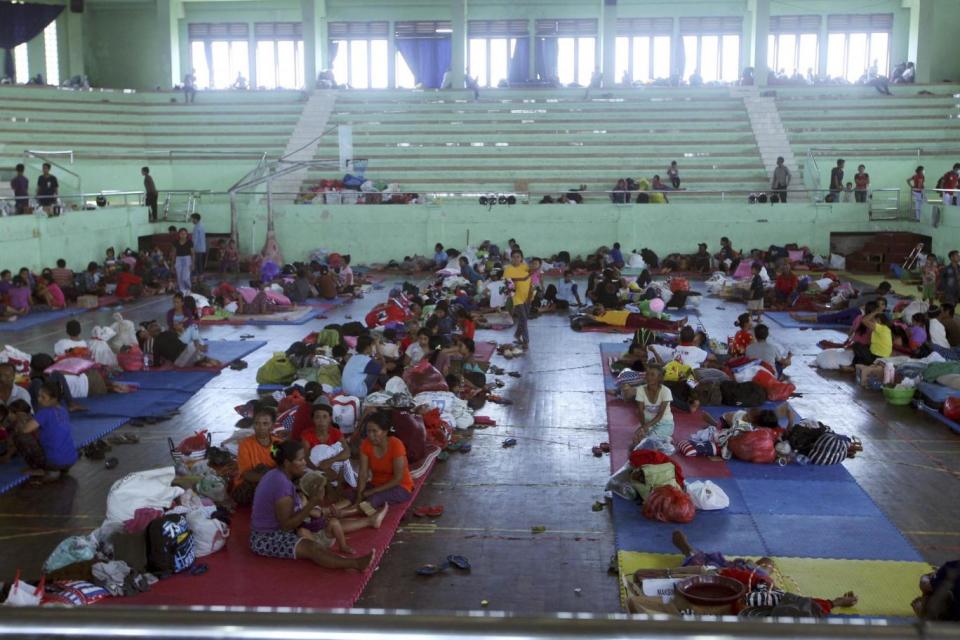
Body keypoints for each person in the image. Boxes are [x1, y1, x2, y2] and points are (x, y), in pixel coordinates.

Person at [249, 440, 375, 570]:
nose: (305, 463)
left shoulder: (276, 474)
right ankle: (355, 564)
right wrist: (311, 504)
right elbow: (286, 526)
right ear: (287, 463)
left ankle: (368, 522)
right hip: (265, 538)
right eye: (300, 460)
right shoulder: (281, 485)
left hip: (276, 527)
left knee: (327, 521)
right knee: (312, 548)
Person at [341, 411, 414, 510]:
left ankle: (346, 513)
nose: (370, 435)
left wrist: (373, 491)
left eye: (374, 431)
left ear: (385, 432)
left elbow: (398, 479)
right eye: (368, 431)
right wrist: (359, 496)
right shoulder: (366, 444)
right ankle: (328, 510)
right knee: (353, 493)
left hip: (401, 487)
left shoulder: (396, 444)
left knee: (374, 498)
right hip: (377, 484)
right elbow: (363, 474)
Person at [9, 382, 77, 482]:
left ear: (54, 399)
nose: (39, 399)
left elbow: (25, 430)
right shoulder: (63, 410)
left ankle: (39, 469)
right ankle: (59, 467)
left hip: (55, 463)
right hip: (71, 460)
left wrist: (18, 422)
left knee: (19, 436)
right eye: (38, 396)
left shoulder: (44, 413)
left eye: (43, 397)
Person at [232, 405, 280, 505]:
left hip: (271, 480)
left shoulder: (276, 444)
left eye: (265, 423)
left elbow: (278, 464)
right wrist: (270, 479)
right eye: (257, 423)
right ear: (253, 425)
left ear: (272, 426)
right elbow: (247, 474)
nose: (261, 427)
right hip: (250, 483)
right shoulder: (245, 445)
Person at [632, 365, 673, 448]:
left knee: (648, 443)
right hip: (647, 423)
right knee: (636, 439)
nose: (648, 377)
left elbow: (660, 415)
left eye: (652, 375)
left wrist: (645, 427)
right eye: (647, 374)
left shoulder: (666, 391)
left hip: (664, 423)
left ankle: (665, 440)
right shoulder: (640, 389)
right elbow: (640, 411)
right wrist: (643, 427)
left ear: (659, 378)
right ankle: (663, 440)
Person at [504, 249, 532, 350]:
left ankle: (517, 334)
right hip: (517, 298)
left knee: (524, 318)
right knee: (524, 318)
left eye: (518, 257)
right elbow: (508, 285)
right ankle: (526, 341)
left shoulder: (525, 267)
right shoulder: (508, 269)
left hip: (527, 296)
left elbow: (531, 279)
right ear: (511, 258)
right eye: (514, 257)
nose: (516, 259)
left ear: (521, 258)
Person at [589, 303, 686, 333]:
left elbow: (601, 305)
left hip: (631, 315)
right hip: (629, 320)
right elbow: (592, 317)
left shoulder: (607, 311)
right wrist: (584, 314)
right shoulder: (601, 318)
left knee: (653, 320)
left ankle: (675, 322)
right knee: (652, 323)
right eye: (598, 310)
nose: (600, 309)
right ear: (597, 314)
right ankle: (674, 327)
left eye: (599, 309)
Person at [173, 227, 193, 293]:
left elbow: (193, 253)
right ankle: (182, 290)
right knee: (179, 276)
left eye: (184, 234)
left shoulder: (190, 242)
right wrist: (172, 263)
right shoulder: (175, 242)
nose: (183, 235)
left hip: (187, 259)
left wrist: (193, 263)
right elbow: (174, 253)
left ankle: (189, 288)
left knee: (185, 277)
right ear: (179, 234)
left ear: (187, 234)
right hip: (178, 259)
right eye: (181, 233)